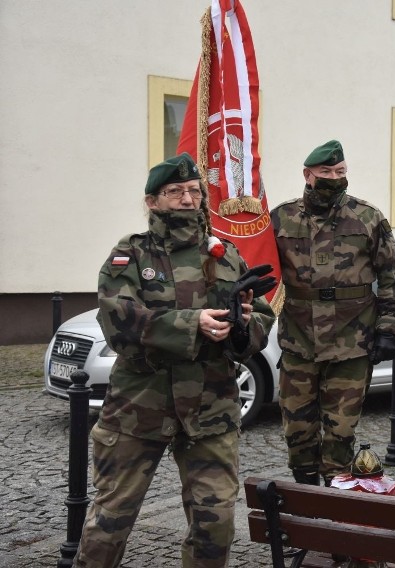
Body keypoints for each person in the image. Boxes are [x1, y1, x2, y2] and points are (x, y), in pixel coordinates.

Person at [74, 153, 276, 568]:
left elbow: (261, 317)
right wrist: (193, 323)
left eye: (194, 191)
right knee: (111, 519)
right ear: (153, 202)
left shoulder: (225, 255)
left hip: (211, 408)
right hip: (139, 407)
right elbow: (119, 322)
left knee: (215, 522)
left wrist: (238, 326)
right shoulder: (130, 255)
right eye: (175, 192)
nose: (187, 199)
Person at [271, 140, 395, 487]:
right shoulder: (281, 218)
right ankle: (303, 508)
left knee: (340, 433)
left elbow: (391, 277)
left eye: (340, 172)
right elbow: (264, 276)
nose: (334, 178)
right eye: (326, 172)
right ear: (308, 175)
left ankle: (335, 509)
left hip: (351, 340)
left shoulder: (368, 218)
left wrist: (389, 329)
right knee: (298, 431)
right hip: (299, 341)